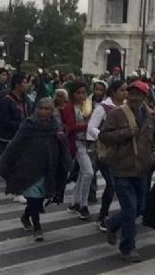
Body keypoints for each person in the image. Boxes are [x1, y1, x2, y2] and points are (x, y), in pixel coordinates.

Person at [0, 98, 71, 241]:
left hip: (48, 169)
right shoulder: (28, 125)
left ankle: (25, 216)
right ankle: (37, 227)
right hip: (29, 169)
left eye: (47, 109)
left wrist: (62, 140)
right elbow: (13, 146)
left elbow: (63, 148)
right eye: (40, 108)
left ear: (52, 111)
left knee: (39, 199)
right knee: (34, 199)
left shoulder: (55, 126)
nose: (43, 112)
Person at [99, 81, 155, 263]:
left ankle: (113, 223)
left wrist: (153, 156)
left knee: (139, 207)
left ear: (144, 97)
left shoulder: (151, 115)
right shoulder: (117, 114)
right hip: (122, 168)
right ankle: (128, 247)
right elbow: (104, 136)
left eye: (138, 94)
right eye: (131, 93)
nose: (134, 97)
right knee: (130, 208)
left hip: (142, 169)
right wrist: (126, 132)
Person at [88, 80, 127, 231]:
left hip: (121, 152)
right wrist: (105, 136)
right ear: (114, 92)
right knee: (111, 184)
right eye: (122, 90)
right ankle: (102, 216)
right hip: (106, 151)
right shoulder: (103, 108)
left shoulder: (126, 108)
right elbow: (91, 127)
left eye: (126, 90)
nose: (125, 93)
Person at [0, 73, 31, 201]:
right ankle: (12, 190)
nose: (27, 85)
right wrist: (22, 124)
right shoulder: (6, 99)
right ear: (17, 84)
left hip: (20, 136)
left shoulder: (25, 99)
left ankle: (16, 191)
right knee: (5, 164)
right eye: (25, 82)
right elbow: (4, 121)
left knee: (16, 164)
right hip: (6, 136)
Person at [62, 82, 93, 221]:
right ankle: (83, 204)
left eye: (84, 92)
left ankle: (75, 203)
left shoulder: (87, 105)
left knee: (83, 172)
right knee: (88, 172)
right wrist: (88, 125)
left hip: (87, 143)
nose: (81, 95)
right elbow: (71, 127)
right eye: (78, 93)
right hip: (77, 143)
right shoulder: (69, 107)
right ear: (72, 94)